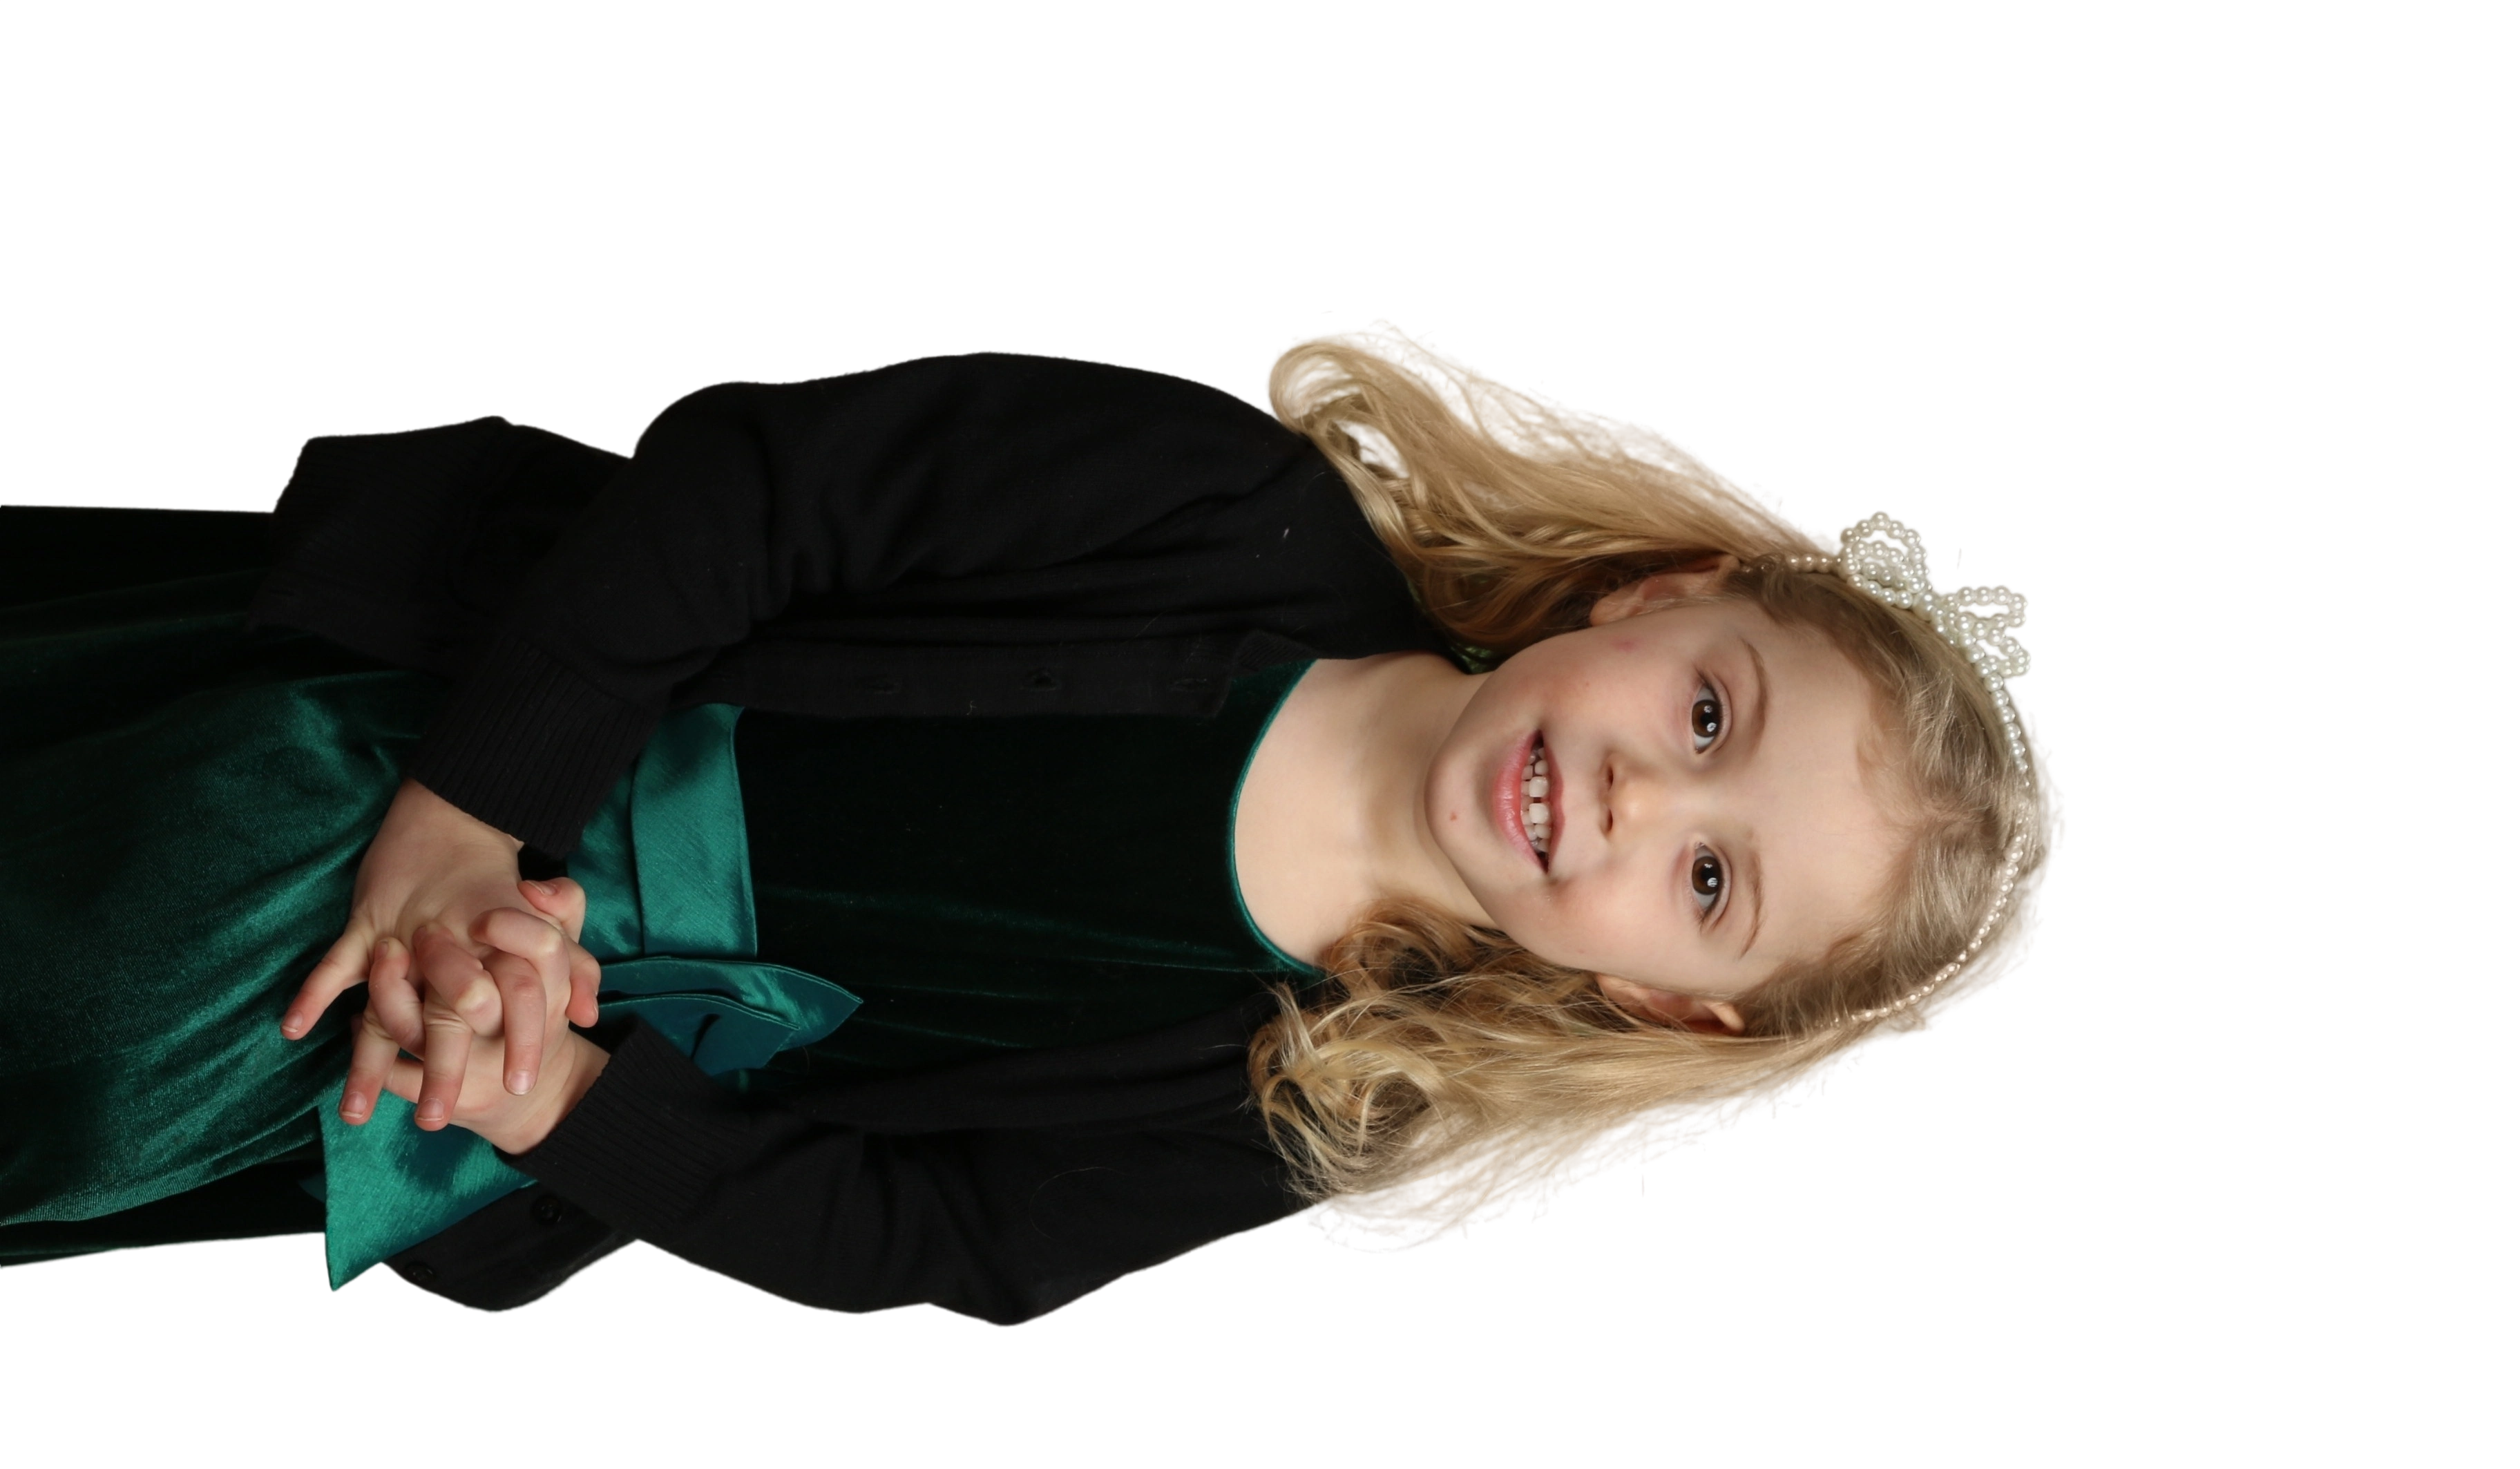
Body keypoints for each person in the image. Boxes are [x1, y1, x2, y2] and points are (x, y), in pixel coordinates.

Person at [0, 320, 2066, 1325]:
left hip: (489, 1042)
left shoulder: (1303, 1096)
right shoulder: (1224, 509)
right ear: (1659, 600)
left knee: (96, 1074)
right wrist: (478, 808)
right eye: (1708, 714)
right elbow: (758, 490)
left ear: (1670, 1005)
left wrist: (562, 1100)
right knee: (123, 862)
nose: (1635, 795)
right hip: (452, 723)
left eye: (1708, 879)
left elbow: (930, 1235)